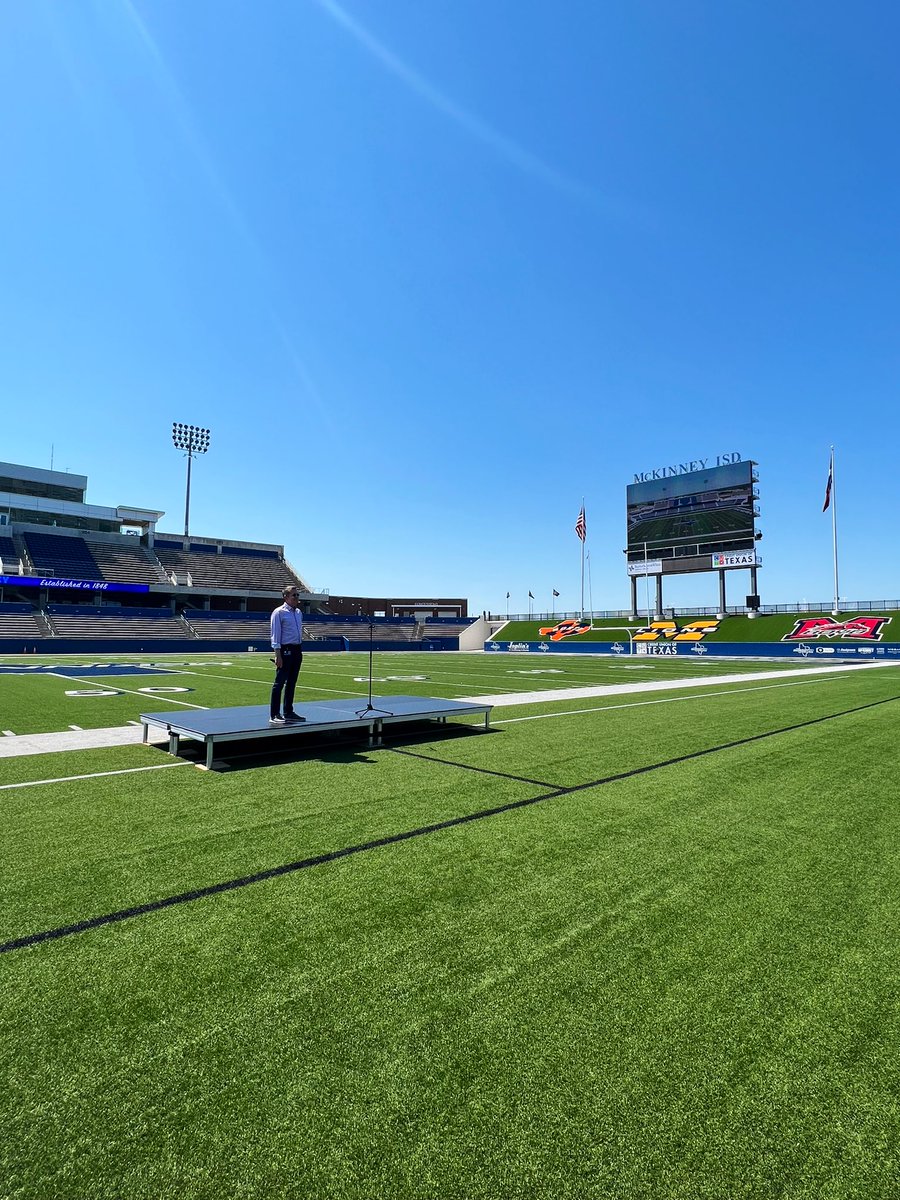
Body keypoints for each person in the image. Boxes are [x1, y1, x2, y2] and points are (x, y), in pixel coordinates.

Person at [270, 585, 305, 725]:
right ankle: (274, 714)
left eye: (297, 595)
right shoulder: (279, 612)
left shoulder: (298, 613)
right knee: (279, 683)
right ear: (286, 597)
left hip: (297, 649)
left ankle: (288, 711)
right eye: (294, 595)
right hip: (285, 650)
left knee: (292, 682)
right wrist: (278, 654)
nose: (296, 598)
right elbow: (275, 635)